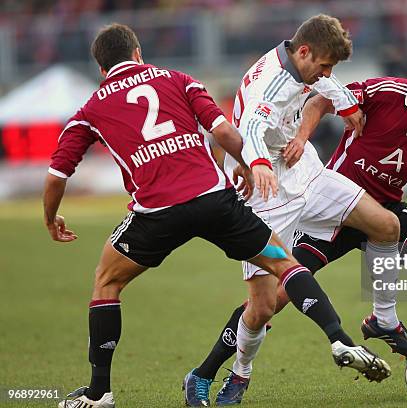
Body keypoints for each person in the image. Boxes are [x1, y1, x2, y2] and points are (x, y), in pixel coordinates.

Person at [44, 23, 389, 408]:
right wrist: (249, 162)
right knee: (283, 269)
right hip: (218, 203)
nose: (326, 72)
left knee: (106, 282)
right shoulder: (179, 79)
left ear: (101, 67)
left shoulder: (90, 108)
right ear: (139, 53)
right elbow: (228, 131)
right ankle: (331, 338)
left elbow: (58, 173)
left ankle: (99, 393)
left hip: (159, 214)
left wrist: (50, 217)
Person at [194, 44, 407, 399]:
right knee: (269, 302)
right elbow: (323, 100)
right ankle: (208, 370)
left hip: (386, 207)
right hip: (333, 210)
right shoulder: (386, 92)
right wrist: (302, 136)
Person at [184, 14, 407, 406]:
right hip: (264, 189)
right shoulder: (270, 87)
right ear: (302, 51)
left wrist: (346, 103)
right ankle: (235, 375)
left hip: (306, 173)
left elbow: (323, 79)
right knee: (263, 307)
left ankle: (384, 319)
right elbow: (251, 128)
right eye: (323, 65)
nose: (326, 72)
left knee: (386, 225)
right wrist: (253, 164)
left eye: (331, 67)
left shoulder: (302, 62)